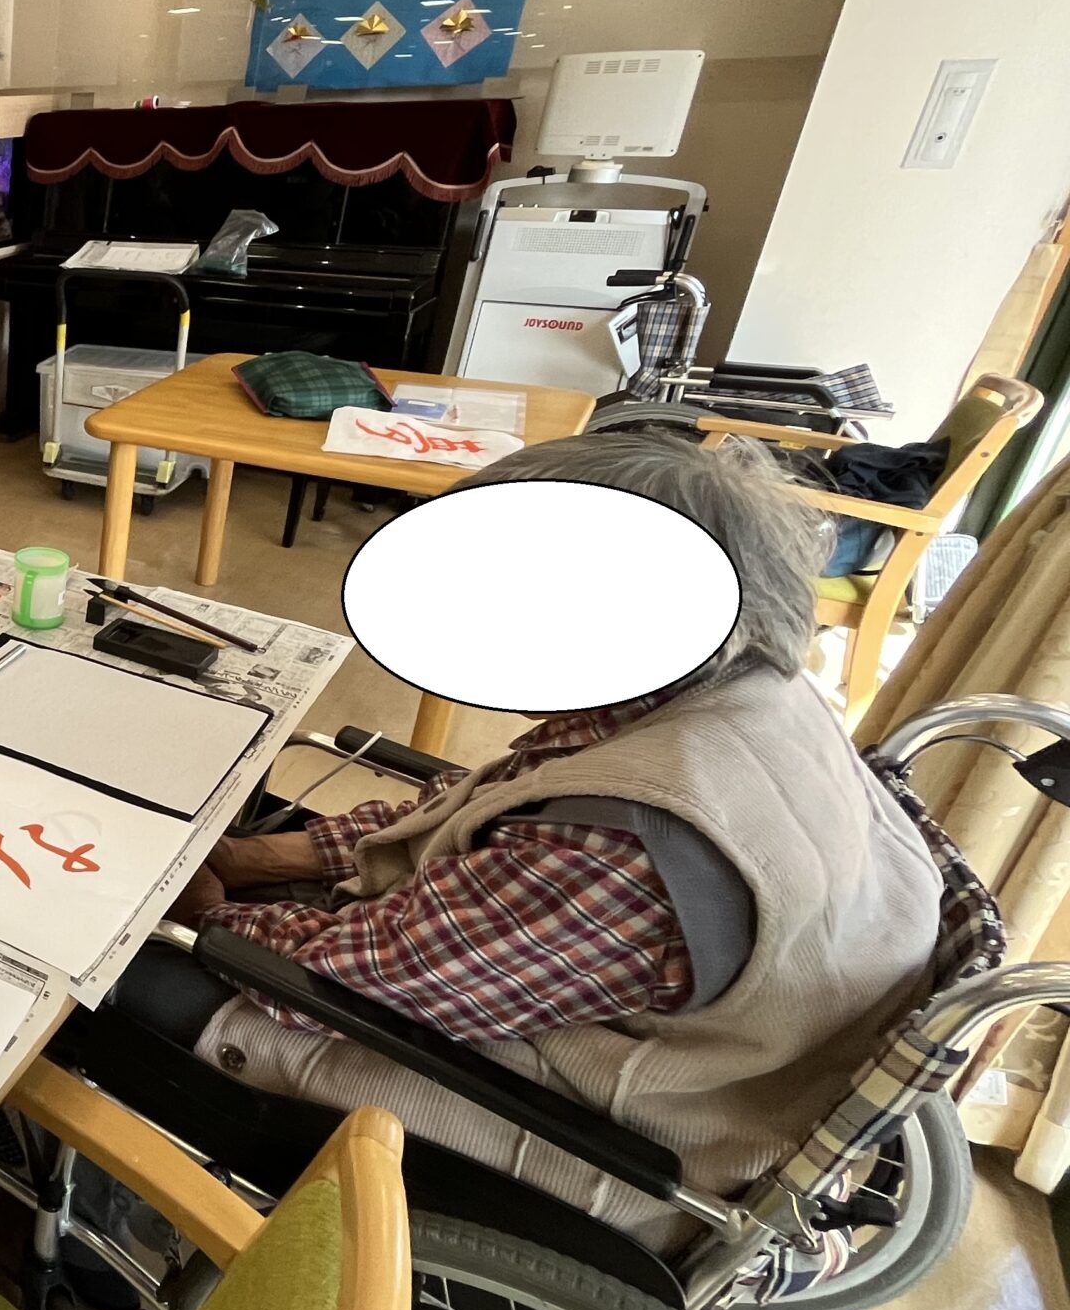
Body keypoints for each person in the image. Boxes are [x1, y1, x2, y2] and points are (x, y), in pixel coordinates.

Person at [109, 432, 945, 1246]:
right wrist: (262, 856)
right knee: (249, 827)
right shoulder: (743, 690)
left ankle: (106, 1203)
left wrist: (194, 906)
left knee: (111, 972)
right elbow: (481, 801)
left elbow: (338, 989)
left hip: (567, 1128)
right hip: (576, 1002)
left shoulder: (620, 856)